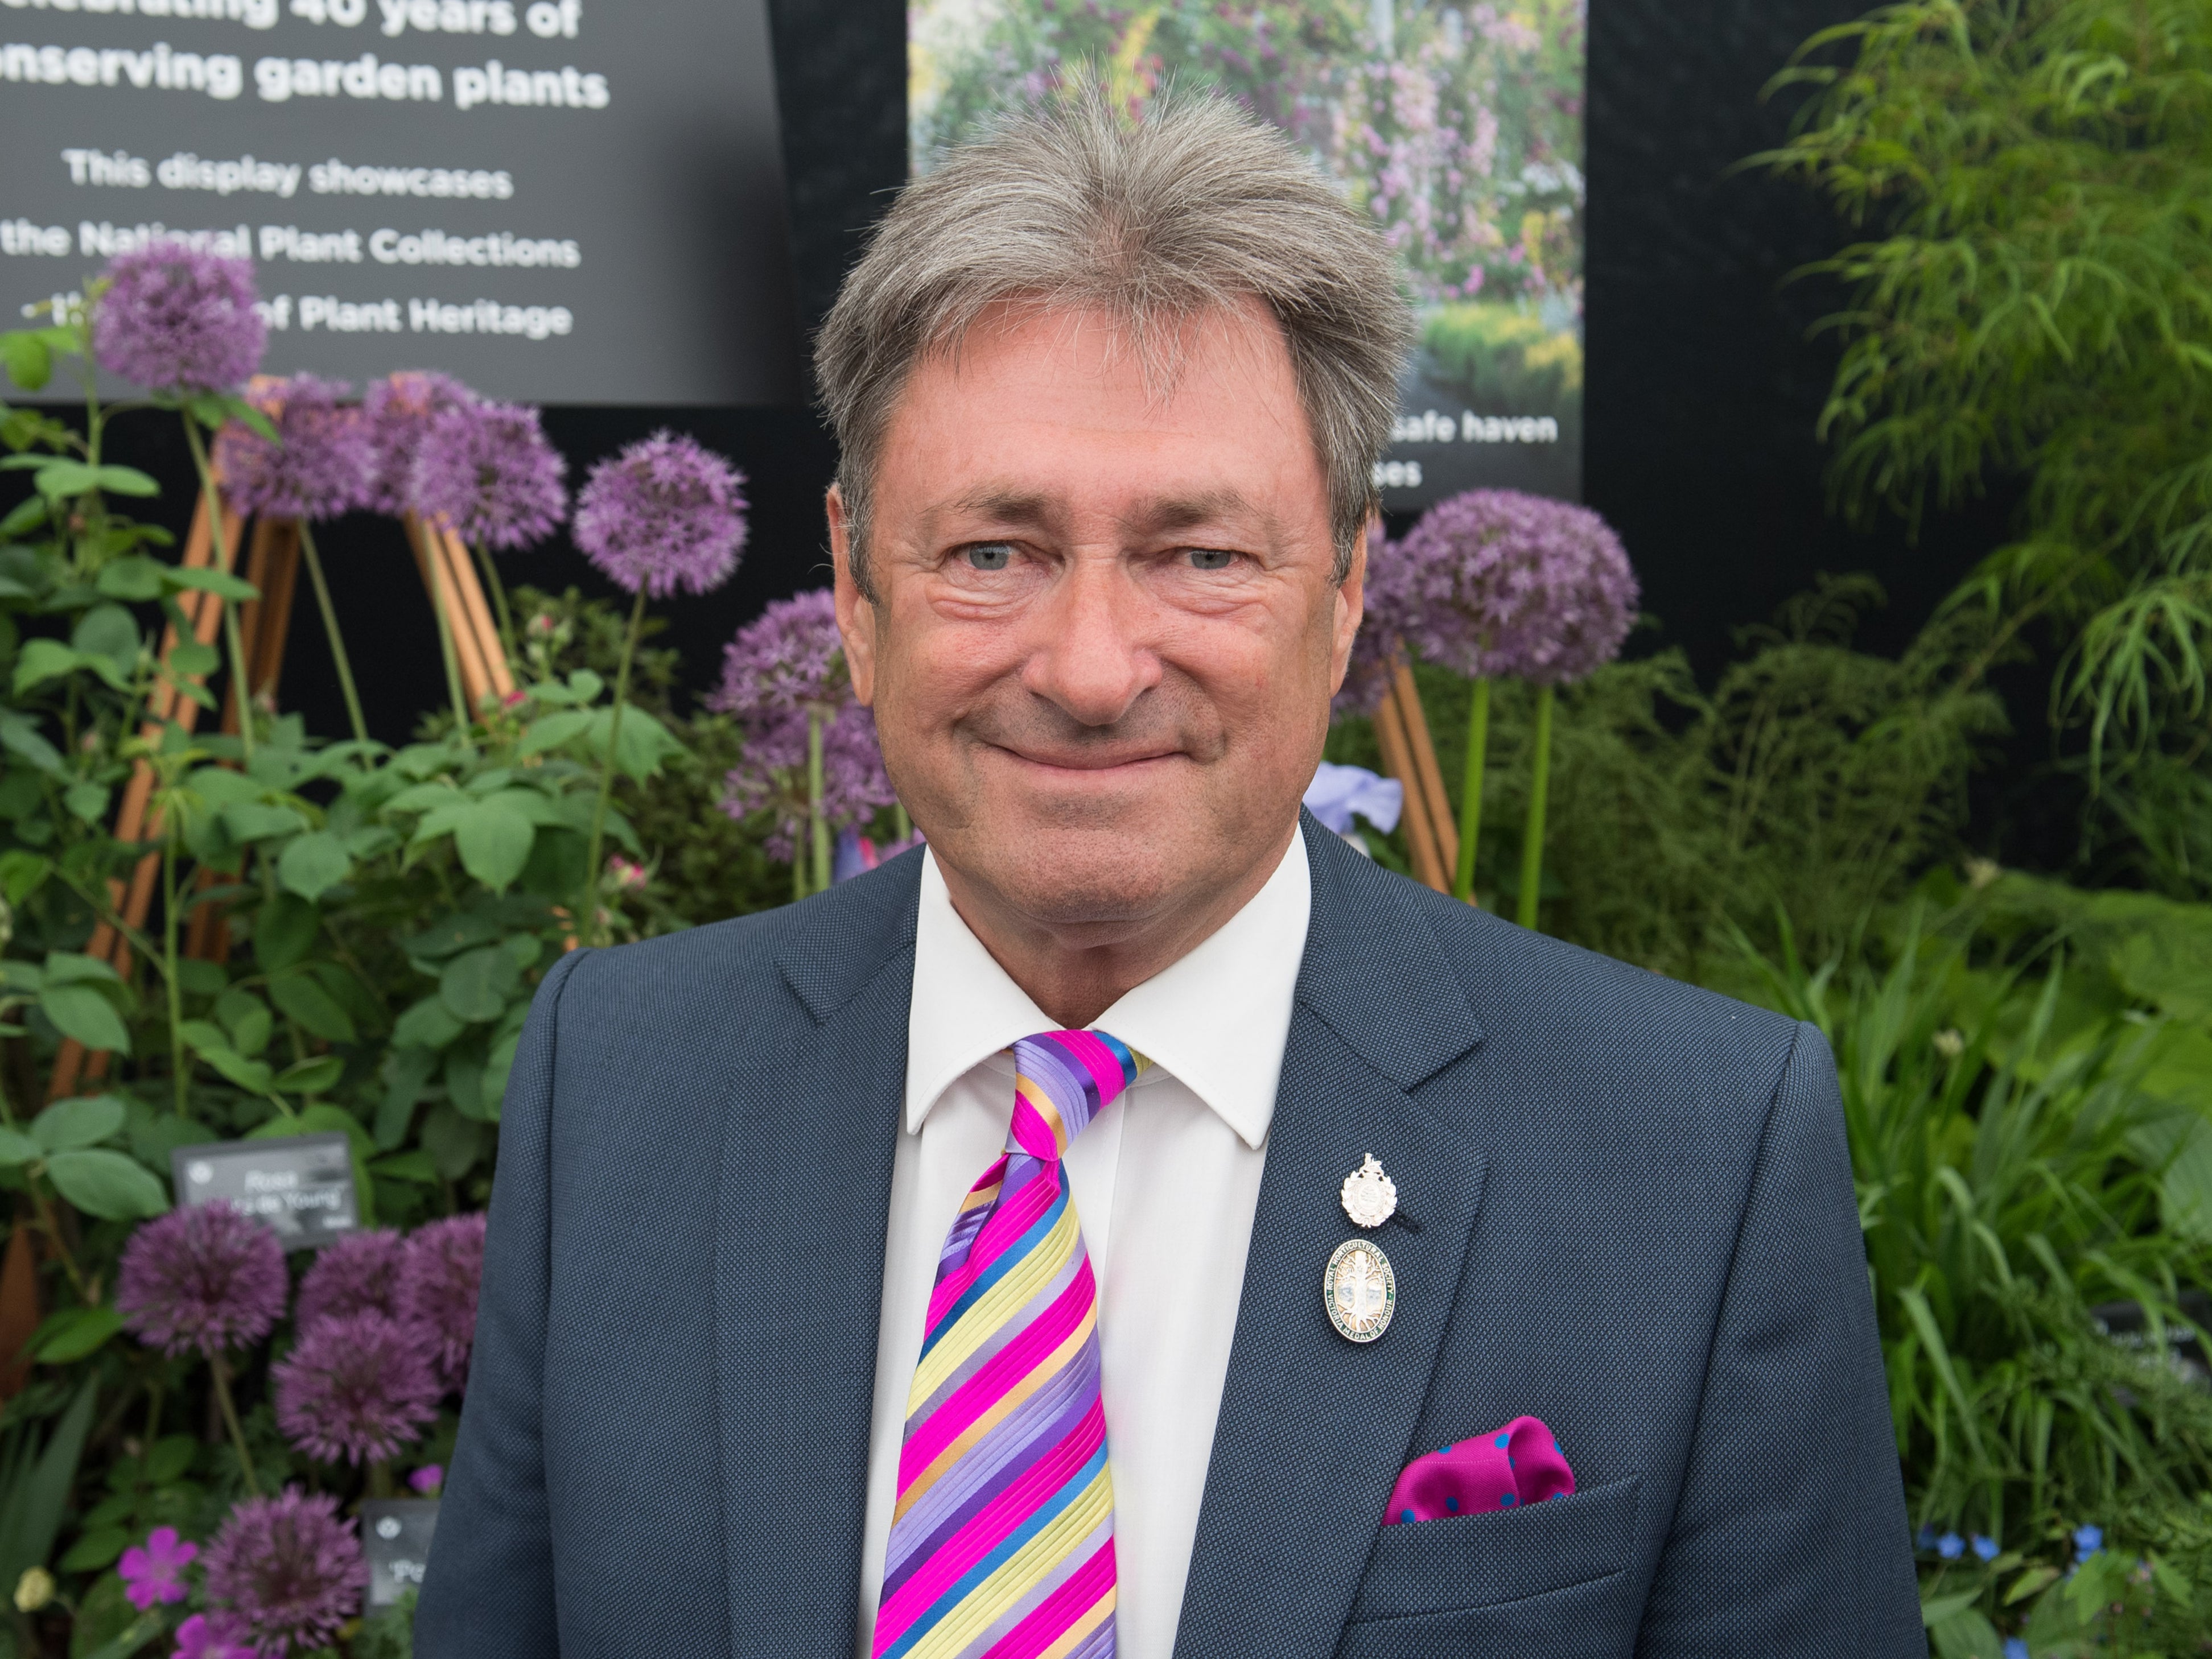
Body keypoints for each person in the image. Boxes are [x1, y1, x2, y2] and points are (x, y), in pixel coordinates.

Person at [415, 94, 1920, 1659]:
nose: (1087, 667)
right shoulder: (623, 1078)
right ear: (858, 591)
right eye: (993, 551)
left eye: (1199, 554)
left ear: (1344, 593)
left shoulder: (1692, 1153)